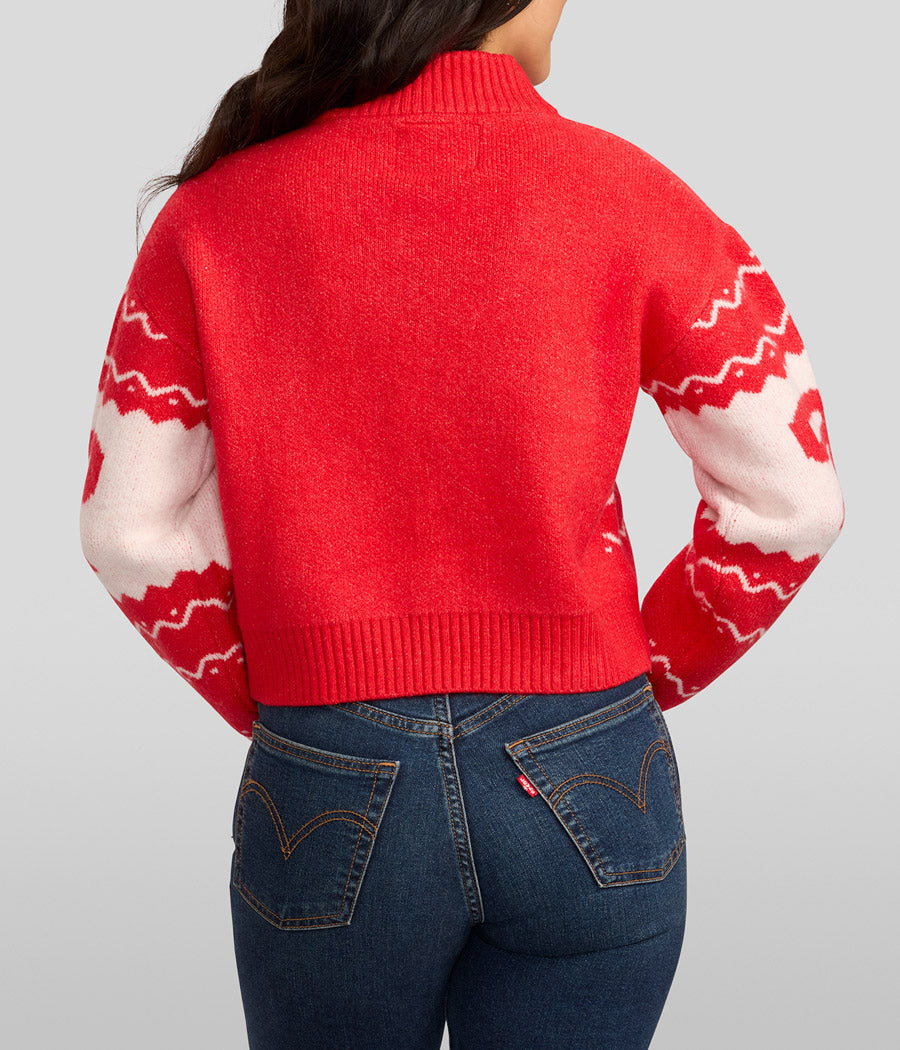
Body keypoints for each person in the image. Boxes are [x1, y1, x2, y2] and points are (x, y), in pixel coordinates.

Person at [78, 1, 845, 1047]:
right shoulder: (632, 192)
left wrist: (281, 699)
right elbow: (793, 504)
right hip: (588, 759)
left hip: (328, 763)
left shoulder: (212, 217)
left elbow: (129, 531)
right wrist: (638, 671)